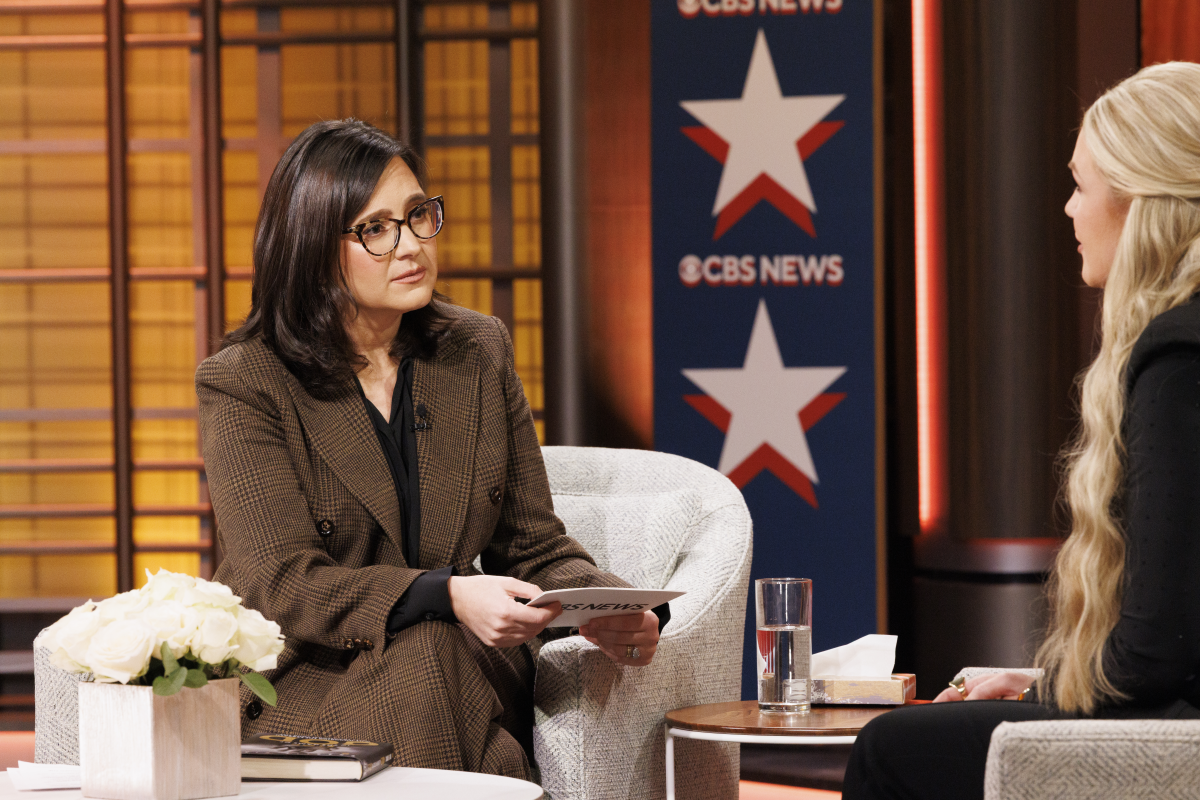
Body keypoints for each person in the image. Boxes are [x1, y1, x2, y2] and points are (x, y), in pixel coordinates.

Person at [196, 119, 666, 781]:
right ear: (310, 246)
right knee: (484, 742)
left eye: (418, 216)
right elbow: (283, 586)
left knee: (430, 651)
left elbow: (532, 544)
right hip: (312, 675)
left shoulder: (476, 351)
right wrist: (444, 595)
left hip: (462, 664)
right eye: (376, 229)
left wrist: (615, 608)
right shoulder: (247, 382)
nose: (411, 245)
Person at [843, 61, 1200, 799]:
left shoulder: (1178, 357)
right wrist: (1041, 680)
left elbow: (1156, 657)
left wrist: (1048, 693)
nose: (1069, 209)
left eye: (1080, 184)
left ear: (1138, 198)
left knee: (891, 748)